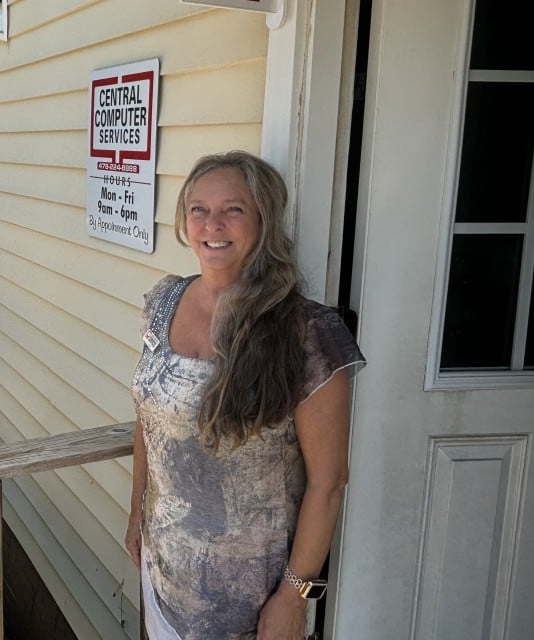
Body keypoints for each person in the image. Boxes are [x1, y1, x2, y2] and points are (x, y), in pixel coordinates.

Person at [124, 150, 365, 640]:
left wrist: (294, 598)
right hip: (164, 573)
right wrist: (136, 514)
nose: (212, 223)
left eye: (233, 209)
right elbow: (149, 419)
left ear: (263, 221)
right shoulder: (164, 302)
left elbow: (329, 481)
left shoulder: (304, 333)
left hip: (250, 603)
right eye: (198, 209)